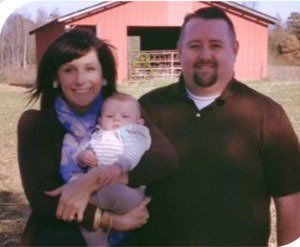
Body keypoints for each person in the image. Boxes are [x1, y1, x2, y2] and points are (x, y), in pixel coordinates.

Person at [134, 6, 300, 246]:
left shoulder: (267, 114)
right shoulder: (147, 109)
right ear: (180, 50)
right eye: (194, 46)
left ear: (234, 50)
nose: (205, 55)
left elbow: (290, 199)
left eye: (215, 45)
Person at [17, 29, 178, 245]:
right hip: (61, 238)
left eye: (90, 69)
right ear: (56, 77)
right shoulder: (36, 124)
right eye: (69, 70)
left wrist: (91, 181)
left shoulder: (122, 113)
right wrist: (109, 221)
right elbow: (42, 197)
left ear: (103, 77)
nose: (80, 79)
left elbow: (166, 158)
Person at [60, 93, 151, 246]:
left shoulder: (134, 133)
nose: (117, 120)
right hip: (98, 188)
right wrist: (83, 156)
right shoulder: (97, 136)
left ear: (139, 122)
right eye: (110, 116)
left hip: (128, 192)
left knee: (103, 196)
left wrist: (120, 166)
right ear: (100, 121)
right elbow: (82, 149)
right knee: (89, 225)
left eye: (125, 116)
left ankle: (76, 204)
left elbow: (134, 151)